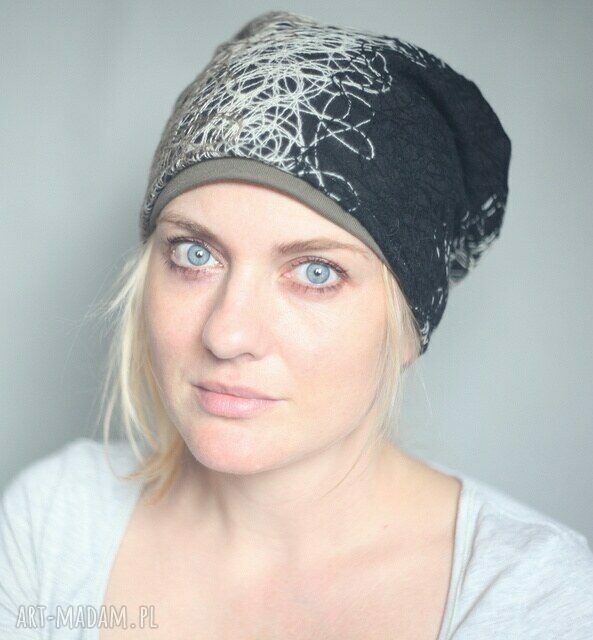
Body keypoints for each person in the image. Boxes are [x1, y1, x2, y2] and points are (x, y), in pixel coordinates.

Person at [1, 10, 592, 640]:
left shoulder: (531, 597)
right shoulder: (55, 522)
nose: (227, 335)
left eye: (315, 272)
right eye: (195, 254)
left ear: (407, 327)